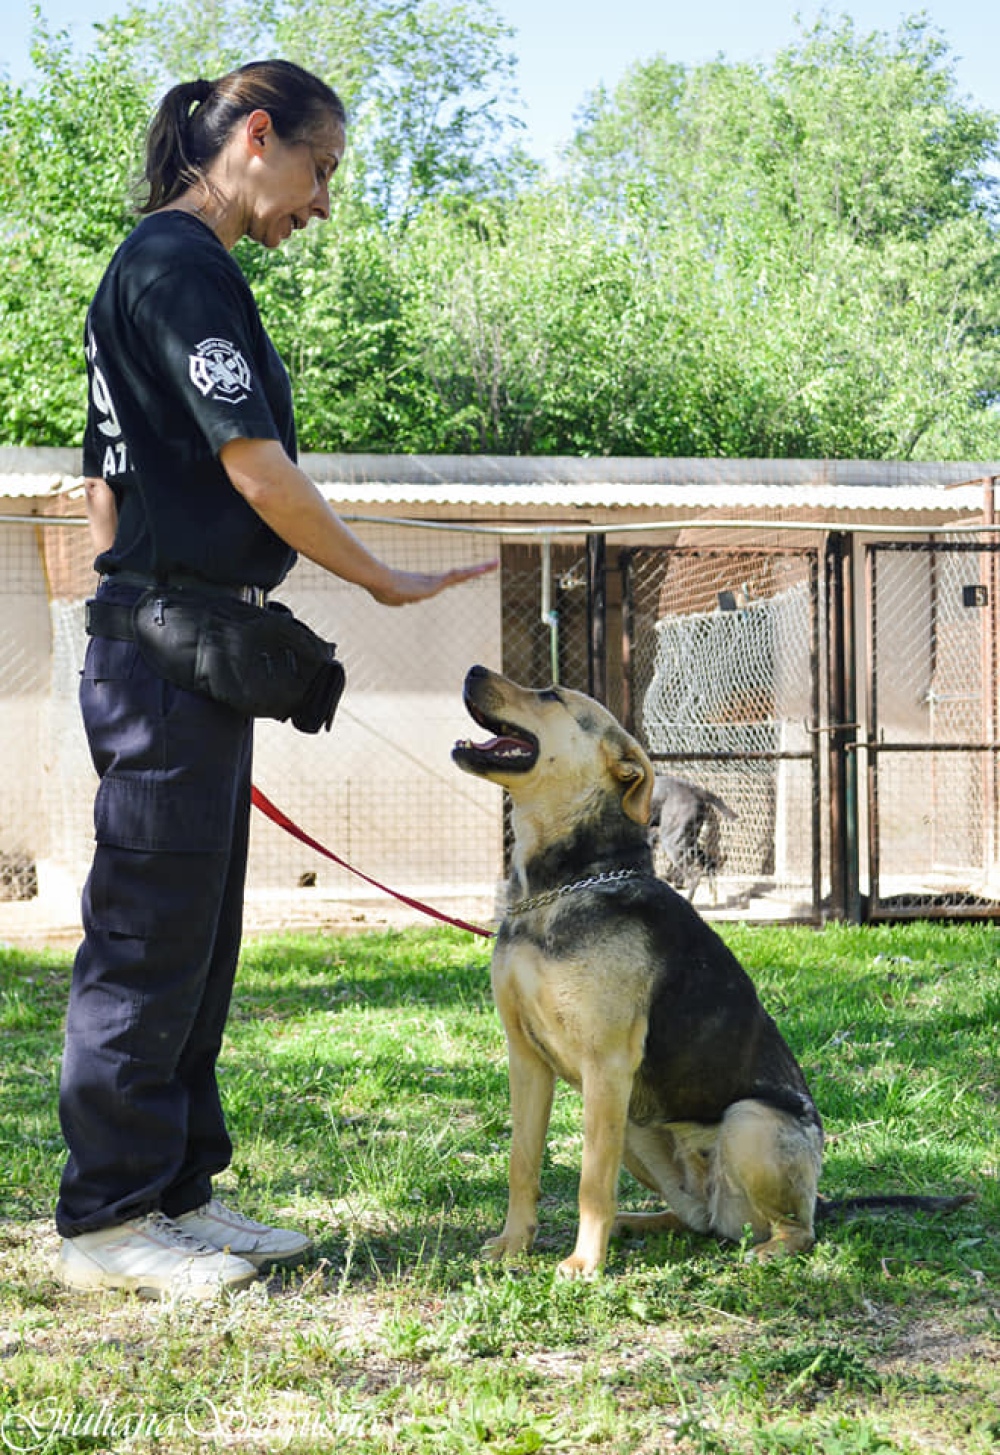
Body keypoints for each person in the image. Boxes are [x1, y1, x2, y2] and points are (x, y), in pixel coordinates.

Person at [56, 58, 497, 1300]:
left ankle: (179, 1194)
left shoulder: (168, 273)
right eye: (320, 169)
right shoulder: (178, 269)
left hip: (173, 643)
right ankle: (107, 1222)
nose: (321, 200)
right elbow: (254, 467)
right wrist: (376, 578)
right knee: (148, 940)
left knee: (198, 936)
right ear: (256, 136)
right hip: (164, 651)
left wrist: (133, 591)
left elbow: (106, 469)